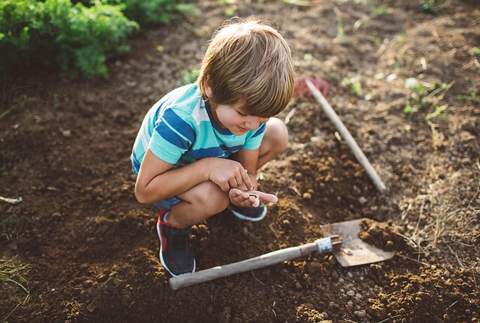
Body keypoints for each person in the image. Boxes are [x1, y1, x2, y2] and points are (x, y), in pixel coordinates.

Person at [131, 17, 295, 277]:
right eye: (244, 113)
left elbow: (248, 171)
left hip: (212, 157)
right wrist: (208, 168)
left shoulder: (252, 119)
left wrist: (243, 189)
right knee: (213, 197)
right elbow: (144, 191)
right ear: (210, 86)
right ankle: (173, 226)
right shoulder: (182, 120)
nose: (253, 125)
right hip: (162, 173)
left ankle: (226, 195)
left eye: (261, 117)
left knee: (277, 133)